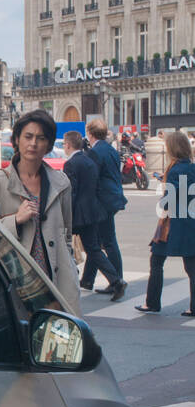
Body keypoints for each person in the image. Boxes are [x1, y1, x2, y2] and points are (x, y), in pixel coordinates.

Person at [0, 108, 81, 313]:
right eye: (28, 136)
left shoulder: (61, 183)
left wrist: (69, 267)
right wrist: (15, 220)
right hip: (14, 282)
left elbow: (66, 233)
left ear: (49, 145)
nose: (33, 143)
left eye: (41, 138)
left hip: (55, 281)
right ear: (17, 140)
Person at [135, 130, 195, 314]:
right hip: (189, 221)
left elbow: (173, 197)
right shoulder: (190, 167)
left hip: (174, 224)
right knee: (191, 267)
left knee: (157, 261)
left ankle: (152, 302)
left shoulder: (176, 169)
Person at [61, 131, 125, 300]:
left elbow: (71, 192)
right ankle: (115, 279)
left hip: (79, 214)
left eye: (63, 145)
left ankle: (70, 280)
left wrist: (67, 214)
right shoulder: (89, 160)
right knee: (93, 248)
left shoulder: (71, 164)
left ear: (68, 145)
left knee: (65, 246)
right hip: (92, 211)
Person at [81, 117, 127, 294]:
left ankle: (117, 280)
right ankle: (88, 280)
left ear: (90, 133)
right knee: (97, 241)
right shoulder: (110, 149)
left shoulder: (95, 152)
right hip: (114, 197)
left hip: (103, 201)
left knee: (106, 241)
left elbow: (92, 178)